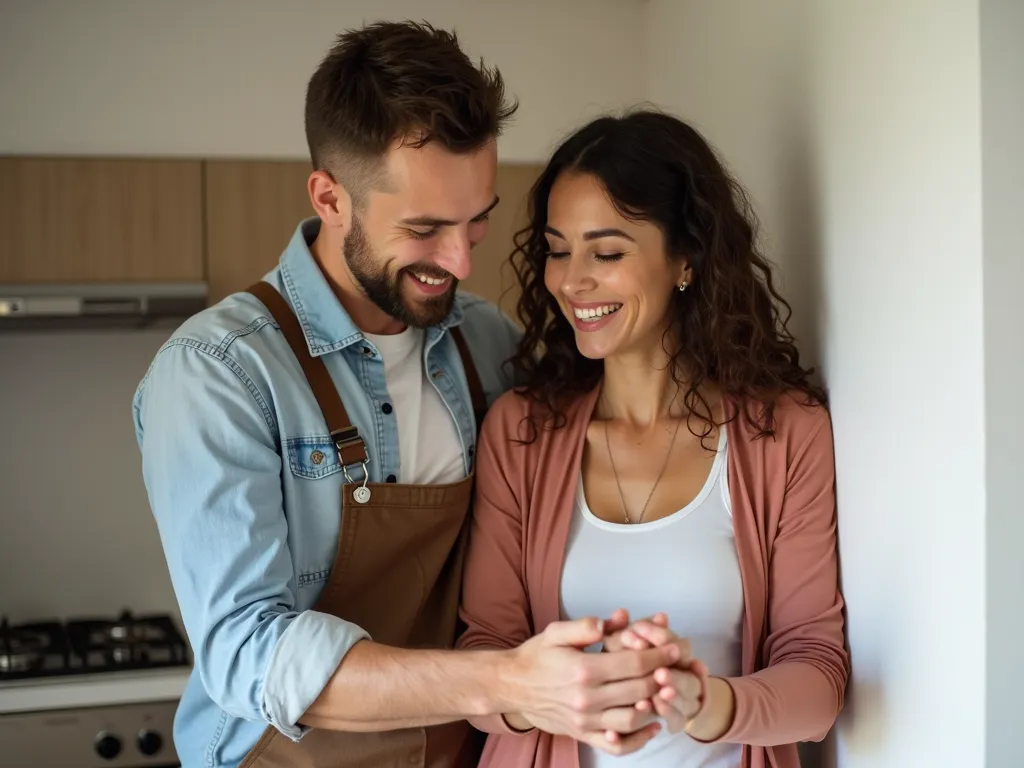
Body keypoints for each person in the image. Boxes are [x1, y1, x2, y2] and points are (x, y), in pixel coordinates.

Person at [133, 22, 683, 768]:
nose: (458, 260)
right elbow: (244, 652)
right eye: (425, 230)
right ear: (331, 199)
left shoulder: (486, 346)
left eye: (477, 221)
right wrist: (508, 679)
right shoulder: (220, 374)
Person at [456, 109, 850, 768]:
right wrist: (554, 693)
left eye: (605, 252)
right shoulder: (521, 433)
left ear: (686, 258)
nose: (572, 280)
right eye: (557, 250)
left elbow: (819, 679)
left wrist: (701, 701)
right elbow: (481, 658)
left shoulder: (785, 434)